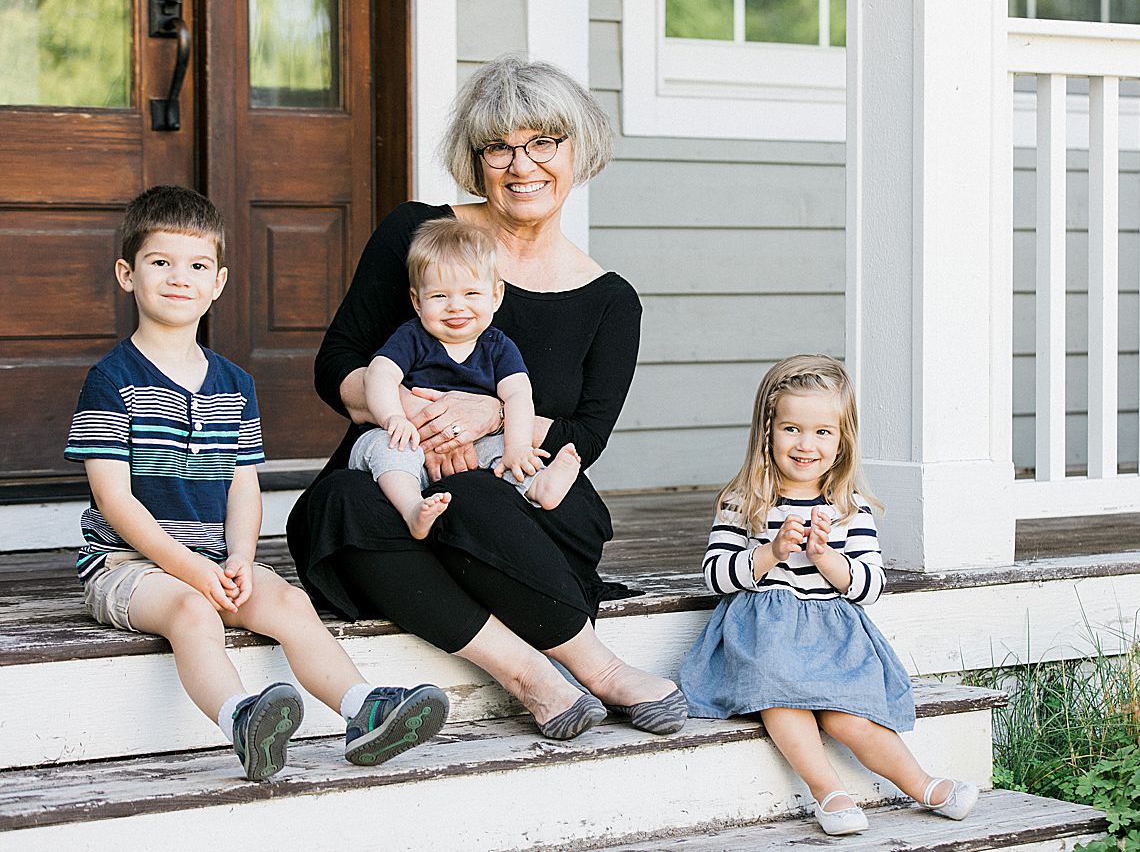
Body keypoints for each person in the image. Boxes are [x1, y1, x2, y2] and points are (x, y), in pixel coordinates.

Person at [287, 56, 685, 741]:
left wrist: (497, 414)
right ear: (476, 160)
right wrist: (416, 413)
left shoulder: (610, 300)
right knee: (336, 507)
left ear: (577, 148)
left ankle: (600, 668)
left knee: (473, 490)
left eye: (542, 143)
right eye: (497, 146)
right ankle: (532, 677)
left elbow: (588, 430)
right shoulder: (419, 234)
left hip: (523, 498)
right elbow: (338, 366)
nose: (520, 164)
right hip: (404, 475)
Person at [65, 186, 448, 782]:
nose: (178, 278)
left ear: (217, 283)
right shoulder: (111, 380)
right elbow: (115, 500)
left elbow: (243, 486)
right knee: (195, 613)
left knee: (290, 601)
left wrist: (241, 556)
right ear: (126, 274)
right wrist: (192, 570)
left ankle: (364, 708)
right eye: (159, 263)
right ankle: (243, 720)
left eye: (196, 266)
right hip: (127, 565)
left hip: (218, 558)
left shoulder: (234, 384)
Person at [677, 355, 979, 835]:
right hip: (764, 635)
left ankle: (922, 784)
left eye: (823, 433)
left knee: (847, 716)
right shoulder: (745, 500)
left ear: (842, 441)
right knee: (779, 697)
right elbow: (715, 575)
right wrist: (771, 552)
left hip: (833, 635)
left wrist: (826, 559)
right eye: (792, 429)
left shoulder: (848, 507)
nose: (805, 444)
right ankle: (828, 792)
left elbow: (870, 584)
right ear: (767, 432)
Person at [349, 217, 583, 540]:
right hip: (409, 441)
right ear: (417, 301)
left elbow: (518, 395)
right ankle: (412, 508)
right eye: (440, 297)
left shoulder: (498, 347)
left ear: (496, 296)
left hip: (473, 447)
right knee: (385, 447)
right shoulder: (412, 338)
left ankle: (538, 486)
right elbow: (379, 373)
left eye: (471, 293)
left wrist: (517, 446)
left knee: (509, 450)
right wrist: (393, 417)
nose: (456, 307)